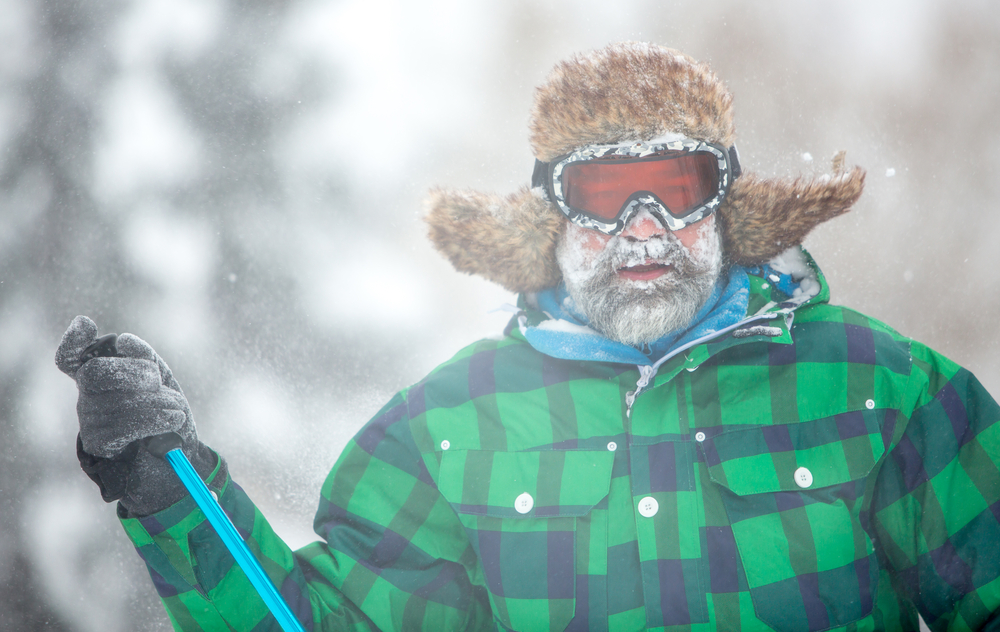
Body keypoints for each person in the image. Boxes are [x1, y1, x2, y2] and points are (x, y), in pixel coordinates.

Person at [56, 42, 1000, 632]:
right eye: (602, 194)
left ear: (726, 208)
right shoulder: (453, 423)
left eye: (677, 188)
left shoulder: (880, 386)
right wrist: (170, 483)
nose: (642, 227)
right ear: (550, 219)